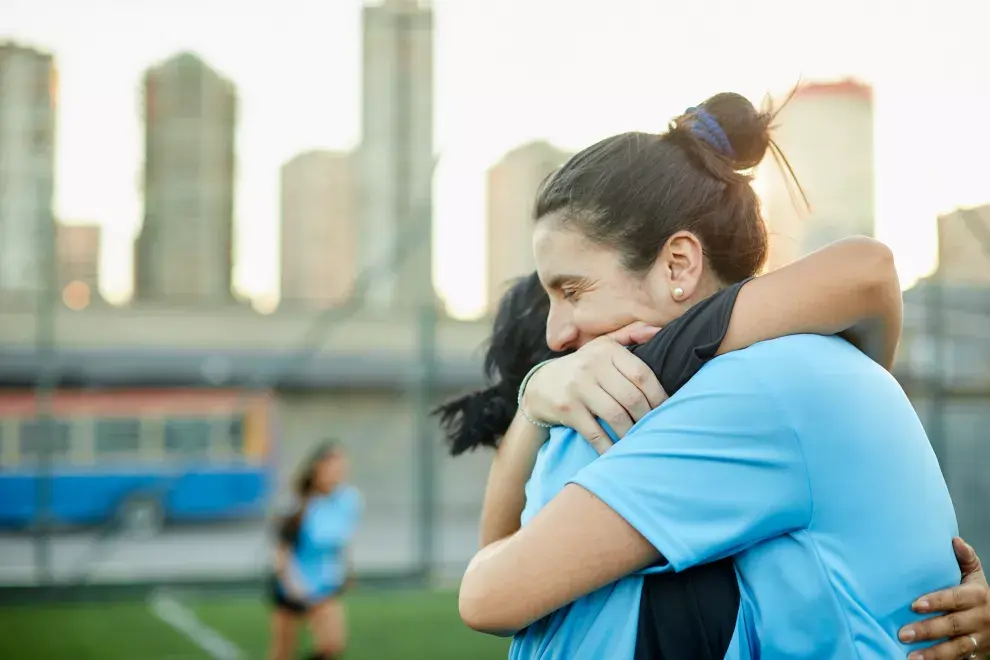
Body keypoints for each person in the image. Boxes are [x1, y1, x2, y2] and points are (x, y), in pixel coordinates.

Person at [451, 92, 990, 658]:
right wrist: (537, 395)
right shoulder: (790, 369)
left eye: (572, 290)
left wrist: (553, 390)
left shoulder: (740, 390)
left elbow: (488, 598)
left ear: (678, 264)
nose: (558, 337)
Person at [268, 442, 361, 660]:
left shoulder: (349, 501)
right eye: (332, 467)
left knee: (332, 644)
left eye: (341, 468)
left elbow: (342, 542)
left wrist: (347, 570)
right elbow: (282, 552)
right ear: (317, 468)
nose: (337, 473)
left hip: (325, 586)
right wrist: (295, 587)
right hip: (293, 585)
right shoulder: (297, 503)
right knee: (282, 653)